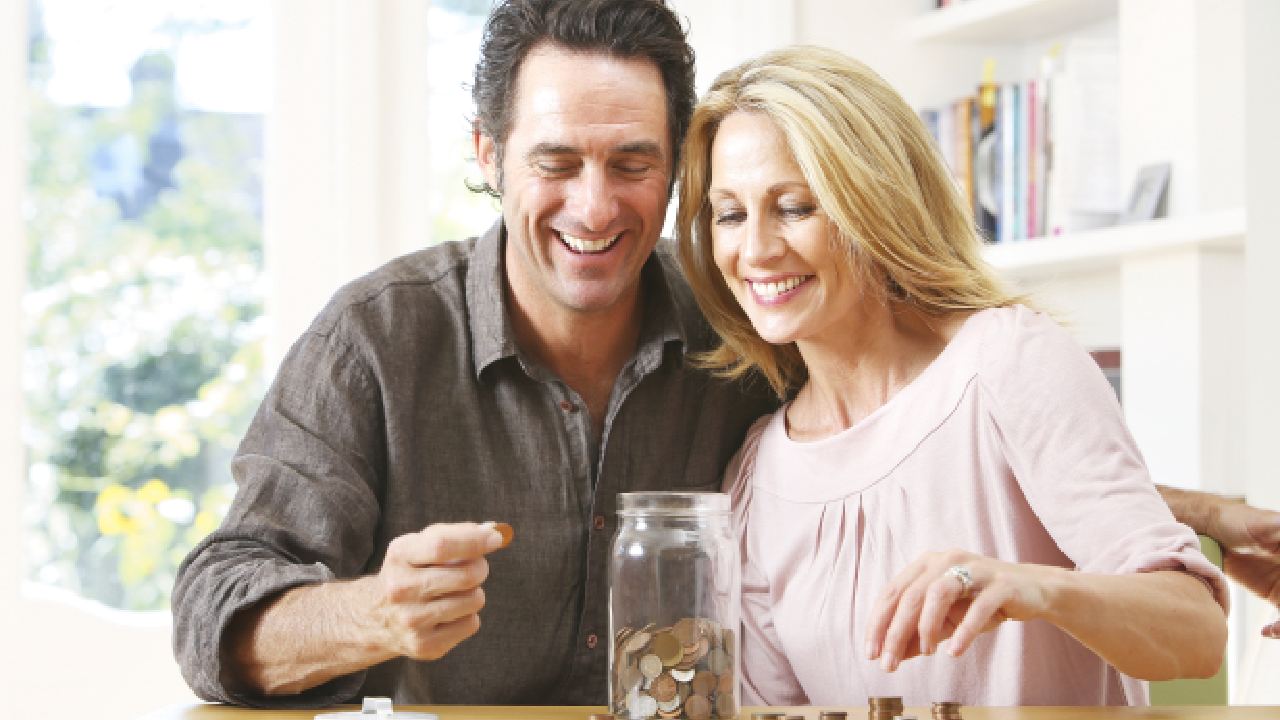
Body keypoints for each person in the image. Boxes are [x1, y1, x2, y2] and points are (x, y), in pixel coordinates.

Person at [171, 0, 1279, 709]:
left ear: (670, 176)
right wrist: (373, 613)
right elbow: (215, 602)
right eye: (555, 162)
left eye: (632, 163)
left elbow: (927, 424)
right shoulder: (380, 339)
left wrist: (1179, 514)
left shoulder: (744, 330)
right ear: (489, 155)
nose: (594, 206)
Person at [674, 45, 1229, 706]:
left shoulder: (1007, 363)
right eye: (730, 214)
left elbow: (1196, 633)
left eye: (794, 207)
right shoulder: (759, 477)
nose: (756, 249)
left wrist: (1038, 589)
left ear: (873, 203)